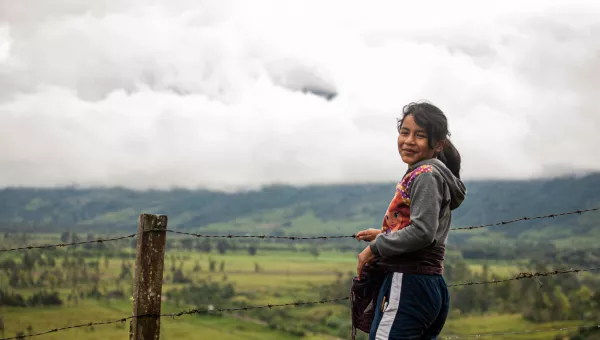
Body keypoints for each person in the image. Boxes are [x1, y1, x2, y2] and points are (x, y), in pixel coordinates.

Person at [354, 101, 467, 340]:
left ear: (437, 145)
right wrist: (386, 233)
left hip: (408, 282)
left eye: (420, 135)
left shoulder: (426, 175)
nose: (409, 140)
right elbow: (422, 227)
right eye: (404, 132)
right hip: (427, 283)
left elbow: (423, 232)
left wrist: (376, 248)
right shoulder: (427, 173)